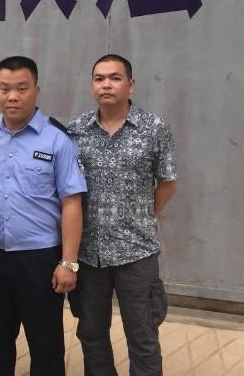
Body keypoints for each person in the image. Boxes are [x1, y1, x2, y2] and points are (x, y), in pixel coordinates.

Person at [0, 56, 87, 376]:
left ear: (36, 91)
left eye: (21, 88)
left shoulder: (57, 139)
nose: (12, 96)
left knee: (46, 348)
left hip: (40, 259)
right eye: (4, 89)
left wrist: (68, 262)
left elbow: (72, 202)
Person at [68, 54, 177, 376]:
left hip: (137, 252)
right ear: (92, 86)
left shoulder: (154, 129)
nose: (106, 84)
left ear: (131, 85)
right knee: (91, 333)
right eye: (99, 78)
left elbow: (167, 183)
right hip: (89, 253)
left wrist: (142, 215)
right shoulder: (76, 131)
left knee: (142, 335)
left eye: (115, 78)